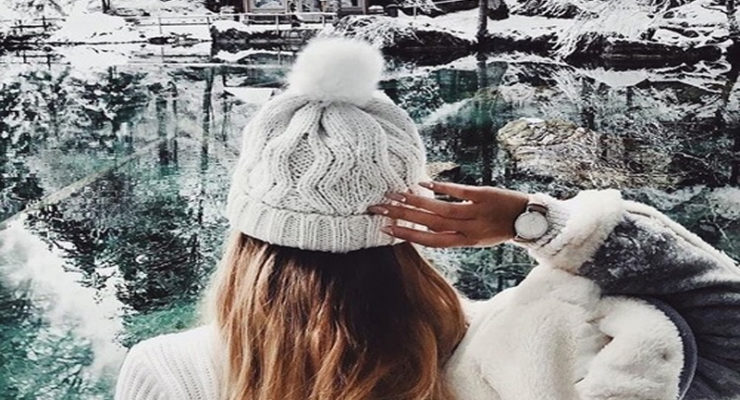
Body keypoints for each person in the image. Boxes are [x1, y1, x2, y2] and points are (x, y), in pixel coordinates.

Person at [114, 38, 740, 400]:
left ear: (248, 238)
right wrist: (534, 220)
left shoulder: (169, 372)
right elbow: (726, 326)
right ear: (416, 225)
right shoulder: (516, 350)